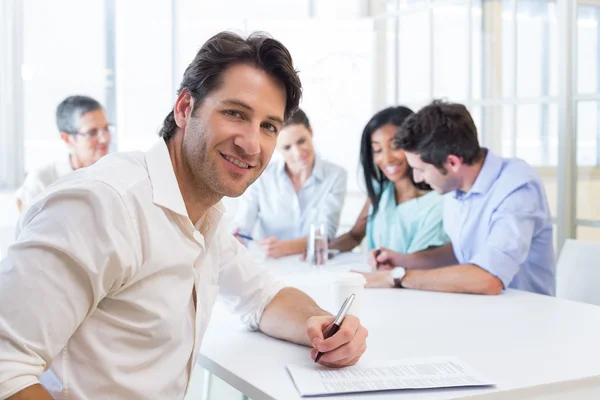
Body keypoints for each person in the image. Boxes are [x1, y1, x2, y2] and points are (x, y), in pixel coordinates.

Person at [0, 32, 367, 400]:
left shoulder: (204, 214)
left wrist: (323, 326)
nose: (252, 144)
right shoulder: (103, 206)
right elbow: (7, 369)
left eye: (268, 126)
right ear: (184, 108)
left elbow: (262, 297)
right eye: (235, 113)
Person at [359, 100, 555, 296]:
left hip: (523, 315)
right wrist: (404, 260)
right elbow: (462, 252)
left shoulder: (516, 188)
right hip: (475, 308)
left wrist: (397, 277)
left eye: (421, 169)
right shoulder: (455, 186)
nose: (418, 178)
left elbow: (489, 278)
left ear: (452, 162)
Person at [328, 106, 448, 254]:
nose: (386, 159)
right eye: (377, 150)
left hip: (404, 276)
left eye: (395, 146)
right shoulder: (381, 189)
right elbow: (354, 236)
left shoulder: (437, 203)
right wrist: (321, 250)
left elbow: (418, 263)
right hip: (375, 275)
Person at [233, 108, 347, 258]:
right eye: (287, 147)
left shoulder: (336, 175)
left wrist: (286, 247)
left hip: (313, 263)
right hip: (270, 266)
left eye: (301, 141)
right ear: (276, 147)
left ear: (310, 132)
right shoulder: (261, 177)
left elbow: (326, 232)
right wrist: (236, 238)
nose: (298, 153)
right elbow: (242, 226)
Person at [15, 95, 112, 213]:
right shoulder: (41, 181)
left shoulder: (115, 174)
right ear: (67, 139)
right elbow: (26, 230)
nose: (104, 139)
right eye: (92, 132)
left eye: (106, 129)